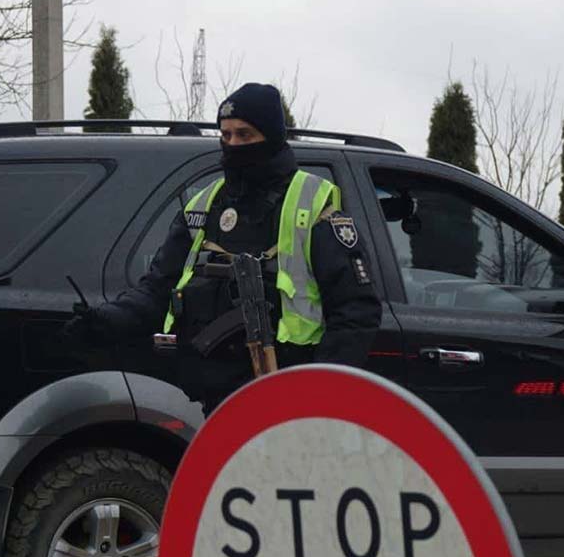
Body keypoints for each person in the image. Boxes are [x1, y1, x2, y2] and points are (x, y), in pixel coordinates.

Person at [64, 83, 382, 413]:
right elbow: (157, 291)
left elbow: (356, 312)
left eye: (244, 135)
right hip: (218, 401)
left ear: (272, 138)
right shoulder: (204, 206)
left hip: (291, 397)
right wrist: (107, 320)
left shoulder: (311, 203)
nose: (233, 145)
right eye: (226, 135)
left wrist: (318, 394)